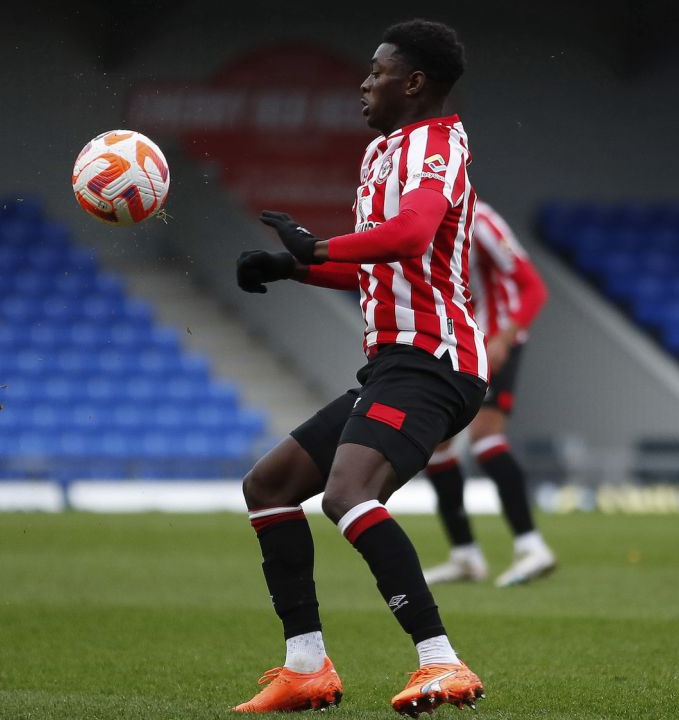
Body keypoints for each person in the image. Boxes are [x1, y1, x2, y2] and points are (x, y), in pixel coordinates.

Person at [232, 19, 488, 716]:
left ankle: (442, 663)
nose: (364, 84)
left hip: (435, 360)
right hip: (392, 364)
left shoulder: (435, 146)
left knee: (347, 493)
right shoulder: (385, 154)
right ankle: (305, 667)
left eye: (376, 72)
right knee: (271, 484)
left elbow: (407, 238)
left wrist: (313, 249)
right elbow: (379, 273)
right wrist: (292, 269)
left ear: (414, 82)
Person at [421, 198, 556, 587]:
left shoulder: (482, 221)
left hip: (497, 339)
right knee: (438, 446)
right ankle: (465, 555)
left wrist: (503, 339)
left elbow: (534, 288)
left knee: (485, 437)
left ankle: (532, 545)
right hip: (461, 341)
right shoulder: (423, 219)